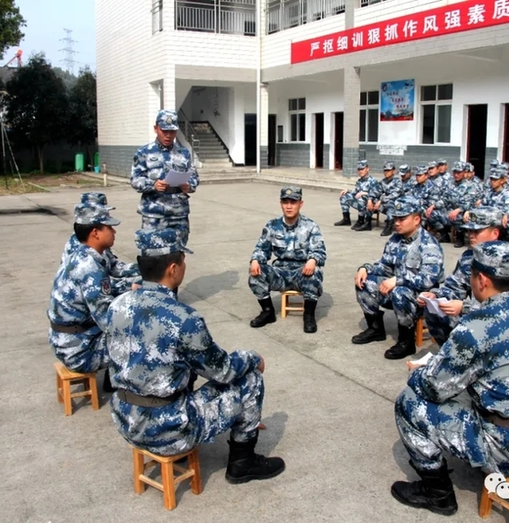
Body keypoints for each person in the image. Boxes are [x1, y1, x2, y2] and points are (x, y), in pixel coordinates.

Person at [392, 241, 509, 516]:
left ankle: (438, 495)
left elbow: (433, 387)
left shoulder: (477, 326)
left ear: (482, 280)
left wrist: (419, 372)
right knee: (474, 391)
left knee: (409, 403)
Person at [107, 229, 285, 483]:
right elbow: (222, 370)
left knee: (177, 371)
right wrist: (252, 358)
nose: (184, 266)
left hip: (126, 421)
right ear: (172, 269)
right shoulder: (183, 318)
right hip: (169, 431)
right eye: (182, 260)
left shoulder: (118, 304)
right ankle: (242, 462)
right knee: (250, 380)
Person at [352, 197, 444, 360]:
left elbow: (428, 280)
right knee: (365, 282)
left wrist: (398, 280)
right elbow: (385, 266)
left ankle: (406, 341)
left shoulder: (429, 245)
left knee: (400, 292)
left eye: (402, 219)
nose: (397, 222)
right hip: (397, 291)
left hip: (423, 299)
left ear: (416, 220)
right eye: (395, 218)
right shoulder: (395, 240)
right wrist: (365, 268)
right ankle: (375, 329)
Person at [48, 202, 123, 376]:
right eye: (109, 228)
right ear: (95, 233)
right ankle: (130, 395)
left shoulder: (78, 254)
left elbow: (102, 289)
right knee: (147, 336)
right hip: (79, 351)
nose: (114, 232)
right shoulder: (91, 268)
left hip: (65, 341)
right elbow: (109, 322)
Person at [417, 208, 504, 346]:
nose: (471, 235)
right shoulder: (469, 257)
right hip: (473, 313)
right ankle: (451, 355)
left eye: (477, 231)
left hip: (499, 323)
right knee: (435, 312)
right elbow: (454, 286)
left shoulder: (506, 263)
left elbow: (503, 307)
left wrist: (464, 307)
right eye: (469, 231)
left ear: (494, 233)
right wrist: (435, 295)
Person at [248, 186, 327, 333]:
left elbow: (320, 251)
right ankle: (268, 311)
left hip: (302, 273)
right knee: (255, 274)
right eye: (285, 202)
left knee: (315, 272)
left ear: (300, 204)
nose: (289, 206)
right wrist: (255, 260)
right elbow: (261, 249)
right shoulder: (272, 226)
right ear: (281, 203)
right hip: (280, 273)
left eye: (293, 202)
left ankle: (309, 315)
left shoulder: (310, 226)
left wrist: (313, 260)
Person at [131, 109, 200, 246]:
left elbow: (194, 177)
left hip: (178, 214)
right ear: (156, 128)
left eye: (172, 131)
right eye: (164, 131)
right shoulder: (144, 152)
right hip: (154, 215)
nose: (168, 135)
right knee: (153, 256)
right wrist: (153, 185)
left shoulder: (183, 153)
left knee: (178, 256)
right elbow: (135, 179)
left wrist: (189, 185)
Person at [60, 192, 142, 293]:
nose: (114, 231)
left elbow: (114, 267)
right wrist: (131, 285)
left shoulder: (96, 242)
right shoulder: (80, 251)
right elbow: (98, 283)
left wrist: (147, 269)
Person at [334, 160, 380, 231]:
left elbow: (377, 194)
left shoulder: (373, 181)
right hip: (361, 203)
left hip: (370, 204)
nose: (360, 171)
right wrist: (348, 190)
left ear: (367, 169)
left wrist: (364, 193)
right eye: (359, 169)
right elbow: (356, 192)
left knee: (361, 197)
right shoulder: (359, 181)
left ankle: (361, 221)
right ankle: (346, 219)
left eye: (362, 169)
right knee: (344, 196)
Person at [368, 161, 404, 237]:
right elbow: (375, 191)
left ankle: (389, 226)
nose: (386, 172)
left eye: (388, 170)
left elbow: (395, 195)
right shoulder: (383, 182)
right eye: (385, 170)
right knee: (369, 200)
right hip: (385, 204)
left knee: (390, 203)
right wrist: (370, 200)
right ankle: (367, 222)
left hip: (398, 206)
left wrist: (380, 201)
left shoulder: (398, 181)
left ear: (393, 171)